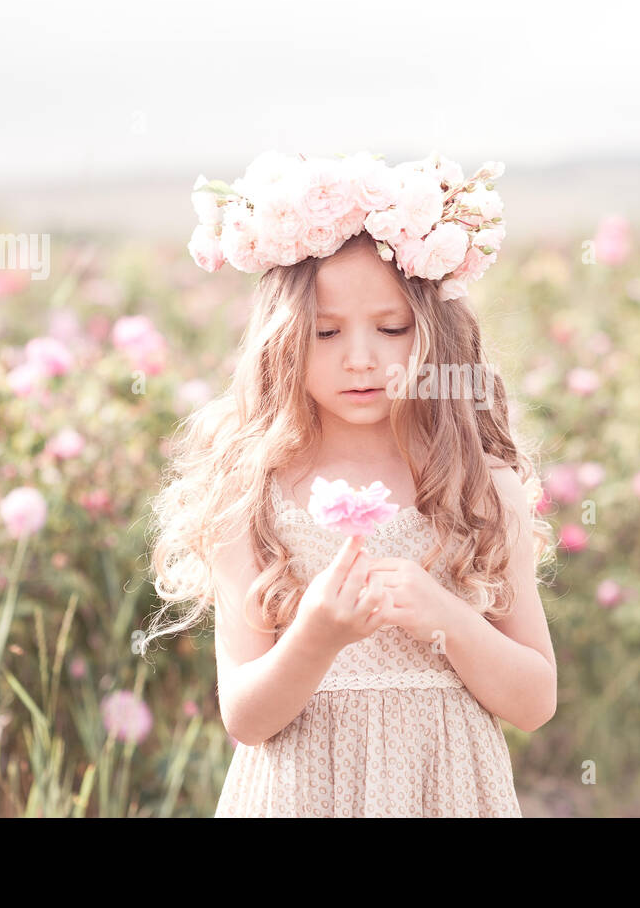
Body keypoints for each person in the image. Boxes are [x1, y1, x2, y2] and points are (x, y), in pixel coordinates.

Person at [145, 150, 556, 816]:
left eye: (391, 328)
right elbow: (247, 718)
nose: (360, 358)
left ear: (431, 332)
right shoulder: (251, 495)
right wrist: (316, 635)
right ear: (282, 338)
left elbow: (534, 699)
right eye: (326, 331)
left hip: (441, 792)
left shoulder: (478, 487)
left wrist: (444, 616)